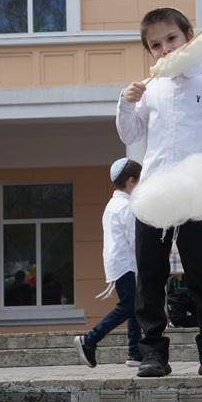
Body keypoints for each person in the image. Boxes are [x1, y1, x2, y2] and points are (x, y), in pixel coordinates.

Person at [117, 7, 202, 378]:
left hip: (195, 191)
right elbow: (129, 134)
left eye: (171, 38)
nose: (165, 49)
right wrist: (126, 101)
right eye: (156, 45)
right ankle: (152, 352)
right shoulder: (150, 89)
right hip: (154, 192)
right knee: (150, 275)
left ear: (190, 35)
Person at [74, 158, 143, 368]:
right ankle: (90, 339)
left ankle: (135, 353)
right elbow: (135, 239)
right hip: (126, 263)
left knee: (133, 306)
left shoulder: (114, 204)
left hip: (119, 263)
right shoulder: (126, 207)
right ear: (131, 181)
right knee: (128, 306)